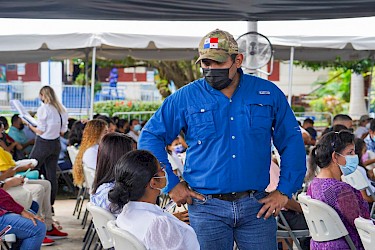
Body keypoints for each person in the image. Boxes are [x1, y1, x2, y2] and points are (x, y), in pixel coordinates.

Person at [138, 29, 306, 249]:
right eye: (205, 64)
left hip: (257, 206)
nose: (210, 70)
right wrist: (171, 183)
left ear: (238, 60)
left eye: (217, 63)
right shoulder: (186, 97)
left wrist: (284, 191)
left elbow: (292, 141)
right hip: (206, 207)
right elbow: (150, 137)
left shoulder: (267, 93)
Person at [108, 150, 200, 249]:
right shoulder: (158, 224)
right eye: (161, 169)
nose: (164, 171)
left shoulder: (125, 212)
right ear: (153, 183)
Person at [306, 130, 370, 249]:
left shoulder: (314, 184)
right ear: (335, 156)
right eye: (350, 152)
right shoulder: (340, 190)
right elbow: (361, 224)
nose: (354, 157)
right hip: (347, 245)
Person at [27, 86, 68, 207]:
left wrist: (29, 125)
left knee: (31, 169)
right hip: (55, 144)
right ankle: (50, 204)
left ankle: (32, 201)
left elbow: (40, 131)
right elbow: (62, 131)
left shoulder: (44, 109)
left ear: (43, 95)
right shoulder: (62, 109)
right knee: (51, 175)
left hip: (43, 143)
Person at [91, 132, 136, 215]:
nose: (137, 159)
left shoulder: (104, 188)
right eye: (134, 154)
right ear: (121, 158)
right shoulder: (113, 196)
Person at [72, 119, 108, 186]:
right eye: (105, 132)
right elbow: (103, 172)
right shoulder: (91, 152)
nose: (108, 134)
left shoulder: (93, 148)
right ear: (96, 133)